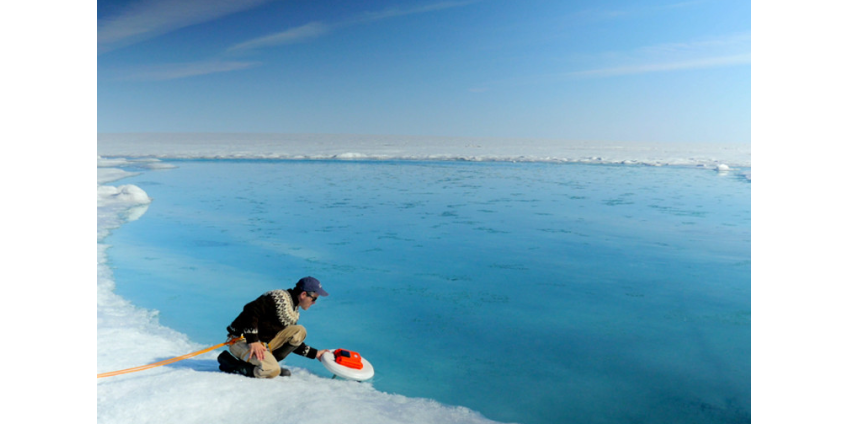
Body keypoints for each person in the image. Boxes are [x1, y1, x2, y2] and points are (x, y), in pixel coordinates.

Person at [217, 276, 331, 378]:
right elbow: (250, 310)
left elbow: (289, 341)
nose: (314, 302)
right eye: (314, 298)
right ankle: (233, 365)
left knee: (299, 331)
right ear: (303, 294)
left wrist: (316, 354)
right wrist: (253, 341)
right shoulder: (277, 297)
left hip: (261, 344)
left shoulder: (293, 311)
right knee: (272, 370)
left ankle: (267, 363)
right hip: (241, 341)